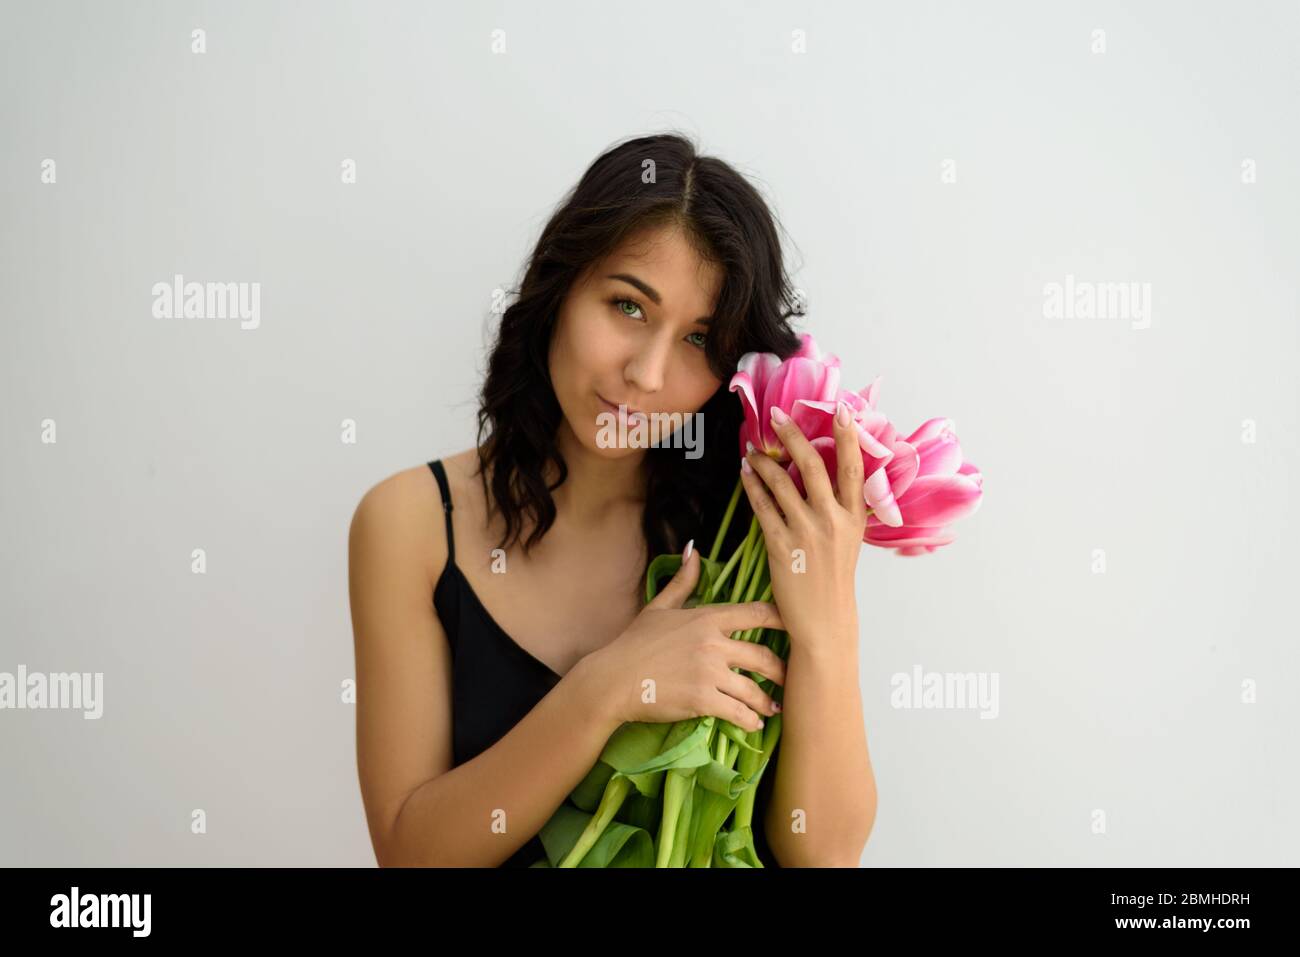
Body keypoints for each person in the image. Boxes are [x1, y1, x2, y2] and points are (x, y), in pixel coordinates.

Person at [348, 132, 876, 867]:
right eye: (628, 306)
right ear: (559, 287)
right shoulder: (411, 522)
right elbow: (412, 854)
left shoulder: (754, 530)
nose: (648, 374)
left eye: (699, 339)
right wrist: (609, 686)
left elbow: (825, 854)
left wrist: (830, 630)